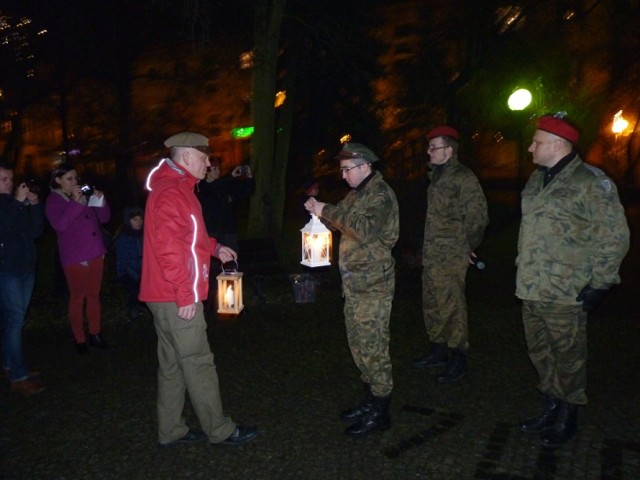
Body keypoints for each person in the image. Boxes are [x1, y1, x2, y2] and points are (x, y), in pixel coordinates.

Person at [515, 114, 630, 448]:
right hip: (532, 287)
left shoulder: (591, 182)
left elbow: (614, 238)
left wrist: (600, 284)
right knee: (540, 352)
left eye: (536, 142)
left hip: (567, 291)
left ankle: (569, 412)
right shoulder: (536, 181)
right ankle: (551, 403)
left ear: (557, 144)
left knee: (569, 358)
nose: (530, 147)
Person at [140, 131, 257, 448]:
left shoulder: (179, 188)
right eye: (205, 158)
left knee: (172, 365)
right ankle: (218, 429)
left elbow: (186, 238)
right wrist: (184, 294)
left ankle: (171, 430)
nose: (209, 163)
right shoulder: (172, 192)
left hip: (163, 294)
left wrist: (215, 248)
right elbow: (169, 250)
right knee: (198, 361)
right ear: (187, 156)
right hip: (173, 295)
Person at [305, 142, 399, 438]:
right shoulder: (357, 194)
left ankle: (381, 411)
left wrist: (327, 210)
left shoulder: (380, 195)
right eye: (342, 170)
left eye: (347, 170)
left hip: (373, 286)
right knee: (359, 345)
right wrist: (317, 213)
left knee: (374, 347)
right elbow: (338, 223)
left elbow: (363, 229)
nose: (343, 176)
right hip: (355, 285)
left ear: (364, 166)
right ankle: (369, 398)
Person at [414, 125, 489, 383]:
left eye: (433, 147)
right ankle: (438, 349)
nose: (428, 152)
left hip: (451, 254)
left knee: (452, 306)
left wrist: (468, 246)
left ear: (448, 150)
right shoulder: (436, 176)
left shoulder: (463, 177)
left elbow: (478, 216)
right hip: (433, 252)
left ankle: (458, 358)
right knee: (432, 302)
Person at [45, 163, 112, 354]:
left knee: (93, 296)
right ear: (58, 180)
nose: (75, 182)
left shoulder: (83, 196)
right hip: (75, 257)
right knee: (77, 298)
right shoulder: (54, 200)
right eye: (69, 179)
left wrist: (101, 200)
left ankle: (95, 334)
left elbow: (105, 218)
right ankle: (79, 339)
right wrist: (75, 202)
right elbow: (60, 225)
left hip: (95, 252)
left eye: (76, 178)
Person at [0, 164, 45, 394]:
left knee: (13, 319)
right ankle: (18, 376)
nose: (8, 183)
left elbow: (36, 231)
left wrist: (35, 206)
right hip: (7, 270)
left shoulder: (13, 204)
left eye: (10, 178)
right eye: (3, 179)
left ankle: (9, 364)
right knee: (15, 320)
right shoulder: (9, 206)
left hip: (26, 267)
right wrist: (18, 204)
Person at [196, 157, 255, 306]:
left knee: (231, 265)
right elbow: (211, 189)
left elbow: (245, 191)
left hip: (228, 232)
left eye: (218, 168)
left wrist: (249, 178)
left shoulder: (225, 185)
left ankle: (231, 300)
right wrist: (230, 176)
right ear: (207, 172)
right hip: (211, 235)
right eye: (214, 169)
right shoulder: (200, 187)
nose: (218, 171)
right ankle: (210, 300)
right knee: (211, 268)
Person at [115, 206, 145, 321]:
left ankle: (142, 310)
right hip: (128, 272)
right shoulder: (124, 237)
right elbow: (122, 258)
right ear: (129, 221)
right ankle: (132, 312)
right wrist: (125, 274)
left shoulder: (144, 234)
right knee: (134, 291)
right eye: (135, 219)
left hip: (143, 270)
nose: (139, 222)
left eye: (140, 219)